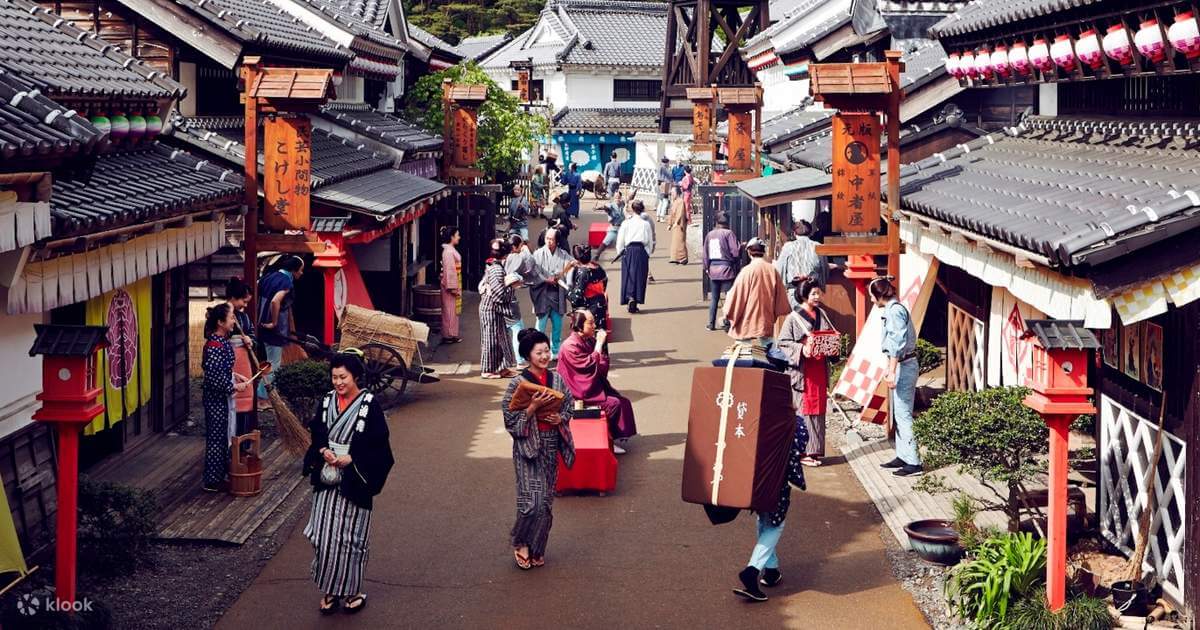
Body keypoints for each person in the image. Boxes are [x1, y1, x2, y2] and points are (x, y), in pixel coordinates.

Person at [302, 352, 394, 614]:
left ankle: (352, 590)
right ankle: (330, 589)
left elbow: (379, 444)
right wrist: (323, 451)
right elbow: (317, 430)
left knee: (349, 538)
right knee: (322, 536)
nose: (338, 382)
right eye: (334, 377)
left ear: (355, 376)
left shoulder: (368, 404)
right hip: (327, 479)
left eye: (343, 377)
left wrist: (352, 457)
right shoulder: (327, 400)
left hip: (354, 478)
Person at [501, 328, 576, 569]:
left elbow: (569, 405)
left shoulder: (557, 379)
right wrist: (532, 408)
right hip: (527, 447)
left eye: (547, 351)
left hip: (550, 443)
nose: (545, 356)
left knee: (545, 502)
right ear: (528, 356)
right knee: (530, 501)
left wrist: (560, 418)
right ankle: (521, 541)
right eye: (539, 352)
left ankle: (537, 547)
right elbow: (509, 419)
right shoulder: (517, 383)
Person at [733, 422, 807, 603]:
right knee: (775, 526)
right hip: (776, 482)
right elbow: (800, 445)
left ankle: (772, 570)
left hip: (755, 480)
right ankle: (752, 570)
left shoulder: (753, 417)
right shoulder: (792, 422)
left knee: (764, 520)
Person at [776, 279, 837, 467]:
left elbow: (830, 334)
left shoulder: (822, 314)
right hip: (803, 370)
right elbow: (783, 342)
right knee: (803, 410)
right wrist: (801, 350)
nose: (817, 297)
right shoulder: (793, 318)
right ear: (804, 295)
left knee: (818, 410)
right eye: (813, 294)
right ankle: (802, 452)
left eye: (819, 293)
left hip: (818, 368)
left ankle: (815, 450)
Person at [557, 310, 636, 453]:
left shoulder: (588, 340)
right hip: (577, 392)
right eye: (590, 323)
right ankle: (608, 440)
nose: (594, 326)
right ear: (579, 325)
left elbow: (600, 364)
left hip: (590, 386)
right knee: (613, 404)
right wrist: (599, 345)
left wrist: (601, 350)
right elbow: (587, 367)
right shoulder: (570, 346)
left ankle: (612, 437)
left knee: (622, 401)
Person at [872, 277, 923, 478]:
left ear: (878, 295)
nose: (871, 300)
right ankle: (903, 455)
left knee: (903, 414)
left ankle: (914, 462)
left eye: (871, 296)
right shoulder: (894, 310)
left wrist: (891, 370)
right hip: (902, 364)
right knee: (899, 412)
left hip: (904, 365)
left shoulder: (894, 312)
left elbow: (896, 343)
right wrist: (889, 367)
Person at [201, 303, 246, 492]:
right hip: (215, 399)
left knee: (225, 435)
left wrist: (235, 376)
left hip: (223, 398)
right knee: (217, 438)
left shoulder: (222, 342)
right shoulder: (213, 346)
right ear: (220, 322)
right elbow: (213, 377)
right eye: (231, 318)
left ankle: (222, 473)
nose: (234, 321)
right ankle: (212, 480)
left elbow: (222, 371)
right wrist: (233, 386)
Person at [723, 238, 790, 344]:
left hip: (747, 317)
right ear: (764, 252)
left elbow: (737, 296)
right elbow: (780, 296)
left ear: (749, 252)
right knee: (767, 348)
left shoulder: (746, 271)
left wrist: (727, 312)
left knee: (743, 350)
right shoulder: (772, 270)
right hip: (766, 317)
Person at [256, 255, 303, 405]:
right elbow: (276, 301)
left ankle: (264, 394)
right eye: (301, 270)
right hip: (272, 328)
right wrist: (274, 322)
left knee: (269, 360)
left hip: (260, 323)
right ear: (293, 270)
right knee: (273, 363)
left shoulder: (268, 276)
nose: (301, 274)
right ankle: (263, 398)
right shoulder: (286, 281)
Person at [479, 239, 520, 379]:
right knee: (491, 339)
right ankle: (488, 370)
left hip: (494, 308)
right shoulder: (496, 269)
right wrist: (511, 287)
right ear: (505, 255)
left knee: (501, 338)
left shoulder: (493, 264)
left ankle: (501, 368)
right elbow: (499, 296)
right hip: (491, 308)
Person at [531, 228, 574, 359]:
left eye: (552, 239)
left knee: (557, 325)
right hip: (542, 293)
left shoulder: (563, 254)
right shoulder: (538, 253)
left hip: (557, 293)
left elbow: (571, 264)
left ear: (557, 241)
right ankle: (537, 350)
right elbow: (534, 270)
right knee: (540, 326)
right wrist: (545, 279)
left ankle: (555, 350)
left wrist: (565, 275)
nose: (549, 242)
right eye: (547, 239)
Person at [775, 220, 835, 310]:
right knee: (811, 317)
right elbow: (825, 271)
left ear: (794, 233)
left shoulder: (788, 247)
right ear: (810, 233)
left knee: (798, 318)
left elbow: (780, 270)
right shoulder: (818, 246)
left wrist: (783, 287)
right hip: (812, 290)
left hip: (794, 290)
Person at [225, 278, 256, 435]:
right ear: (234, 297)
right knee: (230, 397)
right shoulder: (221, 313)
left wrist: (250, 340)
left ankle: (243, 438)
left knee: (245, 395)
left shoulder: (243, 317)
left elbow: (252, 333)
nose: (245, 305)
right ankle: (231, 440)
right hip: (227, 360)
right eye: (243, 301)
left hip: (243, 360)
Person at [615, 199, 655, 313]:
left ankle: (629, 297)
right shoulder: (645, 224)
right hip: (641, 250)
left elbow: (620, 239)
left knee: (628, 275)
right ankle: (636, 299)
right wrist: (648, 253)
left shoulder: (626, 223)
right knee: (640, 276)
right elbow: (649, 241)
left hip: (629, 250)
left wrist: (620, 251)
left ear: (632, 209)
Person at [505, 234, 539, 362]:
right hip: (509, 299)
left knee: (505, 331)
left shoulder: (503, 258)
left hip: (499, 300)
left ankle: (508, 360)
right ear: (515, 247)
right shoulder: (516, 257)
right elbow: (530, 266)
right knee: (517, 328)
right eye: (520, 245)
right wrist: (526, 251)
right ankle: (520, 360)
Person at [703, 213, 740, 331]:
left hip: (713, 269)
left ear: (716, 222)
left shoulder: (710, 235)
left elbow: (705, 254)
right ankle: (727, 323)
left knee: (714, 298)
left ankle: (711, 323)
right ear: (727, 222)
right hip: (727, 269)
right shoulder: (729, 234)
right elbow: (735, 252)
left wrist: (706, 268)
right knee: (729, 297)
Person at [565, 244, 609, 331]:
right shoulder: (597, 267)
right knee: (600, 333)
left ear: (577, 258)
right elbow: (604, 282)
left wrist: (566, 291)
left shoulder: (583, 272)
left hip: (589, 309)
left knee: (589, 336)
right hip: (600, 304)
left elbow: (576, 298)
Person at [440, 226, 463, 344]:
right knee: (449, 311)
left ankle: (452, 333)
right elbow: (450, 272)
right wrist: (453, 287)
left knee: (452, 311)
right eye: (457, 235)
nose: (459, 237)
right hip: (450, 285)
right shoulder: (448, 252)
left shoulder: (449, 250)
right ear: (451, 237)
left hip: (454, 282)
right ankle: (448, 334)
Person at [594, 190, 627, 262]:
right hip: (614, 228)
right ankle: (597, 255)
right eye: (615, 197)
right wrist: (598, 208)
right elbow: (605, 207)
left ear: (621, 197)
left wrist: (635, 191)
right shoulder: (611, 205)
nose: (617, 199)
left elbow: (630, 198)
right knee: (606, 242)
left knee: (627, 242)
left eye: (618, 197)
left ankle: (627, 255)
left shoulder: (623, 203)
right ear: (613, 198)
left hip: (622, 228)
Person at [666, 187, 689, 265]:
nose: (672, 194)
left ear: (677, 193)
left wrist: (677, 221)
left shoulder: (681, 201)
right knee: (675, 241)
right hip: (675, 223)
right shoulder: (675, 202)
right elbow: (671, 214)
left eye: (673, 192)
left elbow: (680, 212)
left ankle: (683, 257)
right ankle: (675, 257)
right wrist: (670, 223)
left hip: (680, 223)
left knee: (680, 240)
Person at [656, 157, 673, 221]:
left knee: (661, 201)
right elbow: (670, 176)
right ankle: (662, 216)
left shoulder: (660, 167)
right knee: (665, 201)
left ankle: (658, 215)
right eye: (668, 162)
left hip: (660, 184)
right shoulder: (665, 168)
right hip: (665, 184)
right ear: (666, 162)